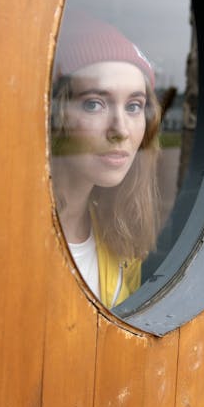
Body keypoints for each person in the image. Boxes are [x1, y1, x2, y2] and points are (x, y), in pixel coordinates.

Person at [50, 17, 161, 308]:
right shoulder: (8, 233)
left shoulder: (121, 239)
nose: (121, 130)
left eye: (134, 106)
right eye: (94, 104)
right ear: (53, 115)